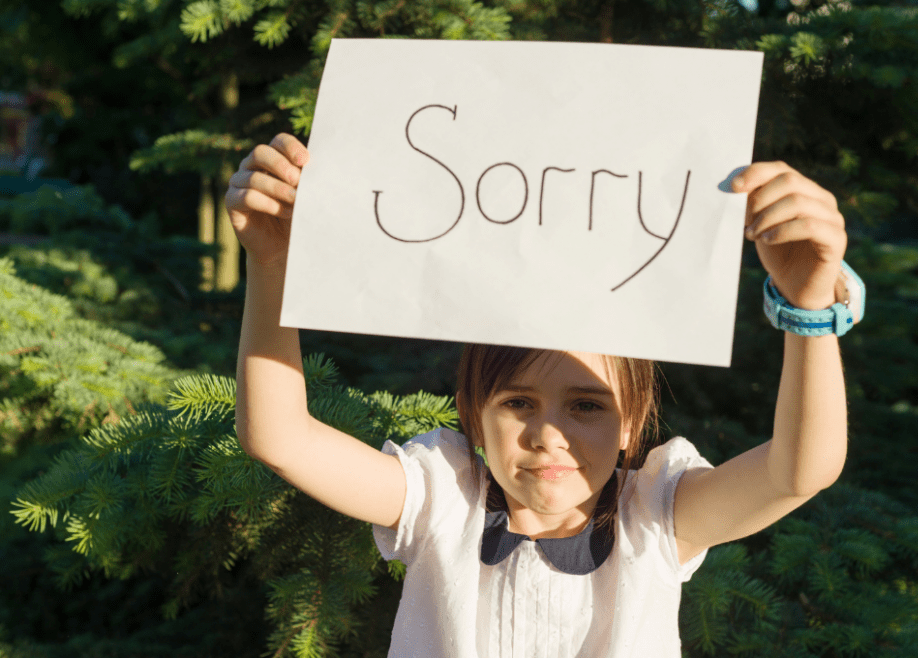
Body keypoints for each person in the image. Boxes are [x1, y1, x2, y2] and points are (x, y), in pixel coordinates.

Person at [227, 133, 859, 657]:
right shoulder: (441, 500)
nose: (547, 433)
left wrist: (807, 309)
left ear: (633, 419)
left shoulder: (660, 517)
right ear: (475, 415)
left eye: (586, 405)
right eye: (518, 403)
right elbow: (279, 437)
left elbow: (798, 472)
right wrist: (273, 263)